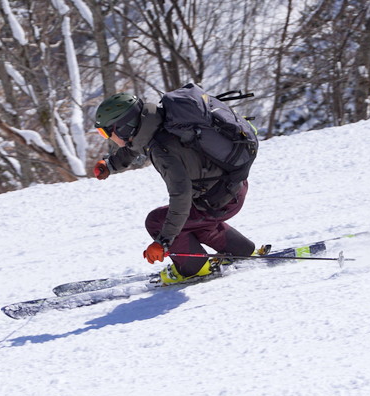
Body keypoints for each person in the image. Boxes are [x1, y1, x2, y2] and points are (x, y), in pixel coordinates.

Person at [93, 91, 256, 284]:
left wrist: (163, 241)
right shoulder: (157, 121)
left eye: (105, 132)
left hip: (218, 199)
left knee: (157, 221)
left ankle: (195, 268)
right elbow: (136, 145)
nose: (106, 137)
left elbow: (181, 196)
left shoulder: (163, 150)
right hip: (231, 187)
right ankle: (242, 251)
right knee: (194, 221)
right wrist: (111, 164)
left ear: (123, 128)